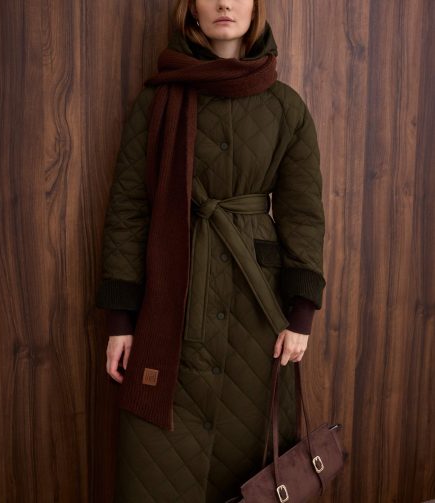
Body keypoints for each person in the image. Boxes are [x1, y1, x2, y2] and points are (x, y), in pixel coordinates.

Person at [96, 0, 326, 501]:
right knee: (157, 465)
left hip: (257, 313)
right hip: (171, 302)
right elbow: (128, 210)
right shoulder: (156, 102)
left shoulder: (285, 106)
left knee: (251, 467)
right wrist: (120, 320)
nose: (225, 3)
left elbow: (303, 214)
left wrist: (302, 314)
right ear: (191, 10)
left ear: (256, 8)